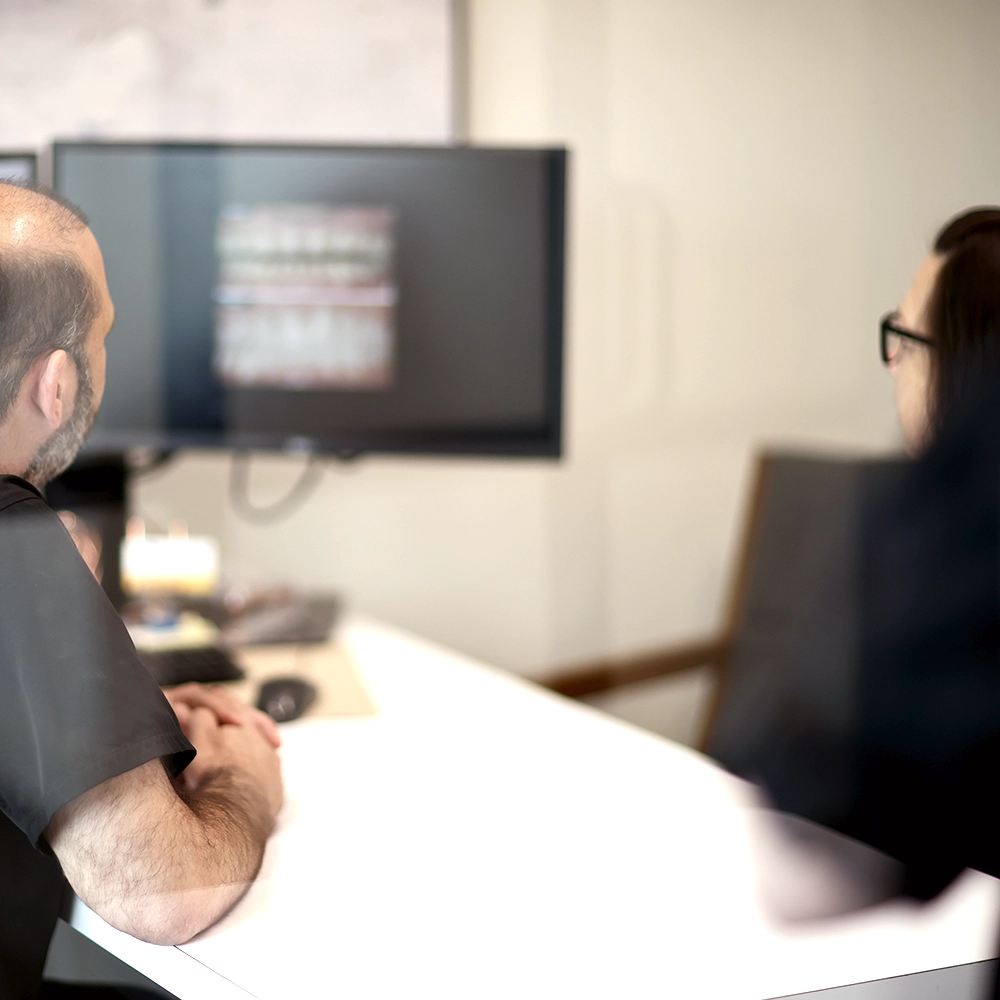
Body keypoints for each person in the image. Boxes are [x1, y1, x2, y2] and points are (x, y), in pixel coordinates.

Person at [0, 181, 284, 999]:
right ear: (55, 383)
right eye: (103, 335)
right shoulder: (16, 542)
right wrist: (245, 779)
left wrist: (126, 719)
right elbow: (162, 894)